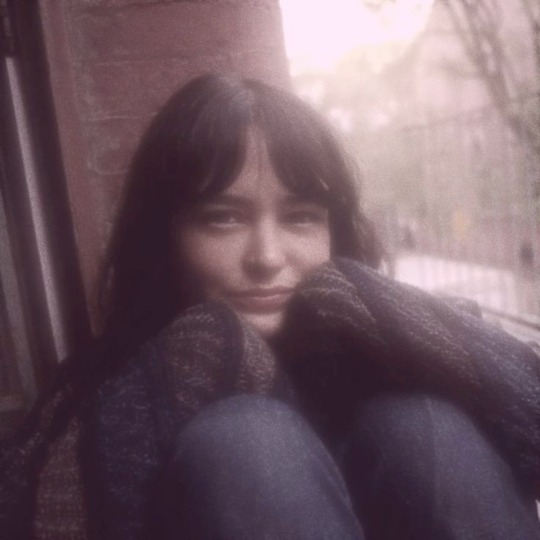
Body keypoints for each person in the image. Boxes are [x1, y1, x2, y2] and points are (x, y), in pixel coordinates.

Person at [1, 74, 540, 540]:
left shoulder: (406, 350)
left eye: (301, 217)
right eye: (223, 218)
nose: (267, 257)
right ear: (163, 235)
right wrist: (192, 359)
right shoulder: (103, 392)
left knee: (421, 423)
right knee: (245, 442)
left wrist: (380, 307)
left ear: (333, 231)